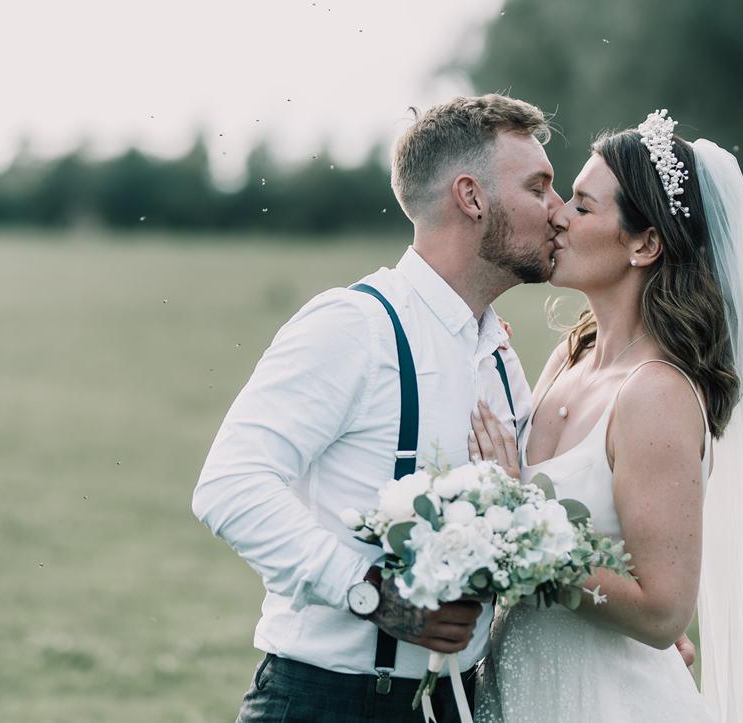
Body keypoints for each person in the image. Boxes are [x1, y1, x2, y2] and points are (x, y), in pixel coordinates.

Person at [192, 94, 561, 722]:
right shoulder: (354, 325)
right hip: (328, 701)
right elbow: (229, 486)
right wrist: (374, 597)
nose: (559, 212)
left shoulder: (499, 354)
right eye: (540, 187)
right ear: (471, 198)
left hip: (458, 703)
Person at [471, 111, 743, 722]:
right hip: (523, 686)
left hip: (604, 701)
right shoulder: (571, 357)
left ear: (644, 243)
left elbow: (663, 611)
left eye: (584, 207)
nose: (558, 213)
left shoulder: (657, 394)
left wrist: (517, 523)